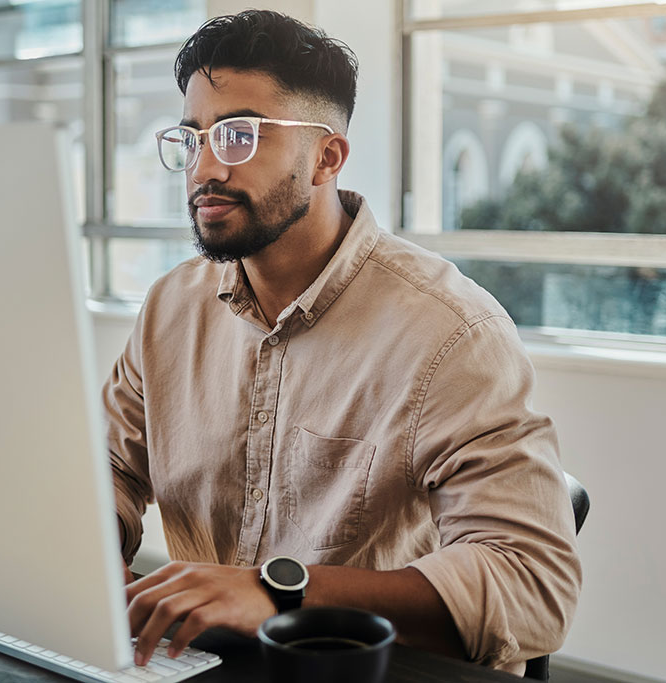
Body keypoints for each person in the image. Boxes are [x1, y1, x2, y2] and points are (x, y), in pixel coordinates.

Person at [105, 9, 581, 676]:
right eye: (193, 138)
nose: (204, 168)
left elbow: (534, 585)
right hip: (197, 665)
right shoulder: (168, 309)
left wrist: (277, 592)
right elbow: (108, 470)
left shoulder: (453, 334)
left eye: (239, 135)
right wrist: (85, 560)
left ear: (327, 156)